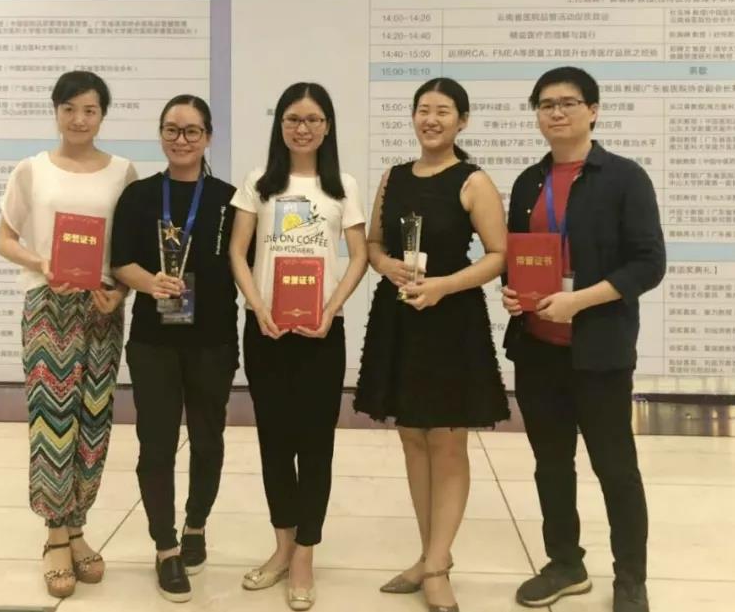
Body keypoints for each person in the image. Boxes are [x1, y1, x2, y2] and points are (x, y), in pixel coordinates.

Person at [501, 66, 665, 612]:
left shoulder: (624, 178)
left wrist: (579, 301)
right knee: (551, 464)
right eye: (545, 104)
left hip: (600, 351)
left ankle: (631, 578)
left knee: (615, 468)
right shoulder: (529, 182)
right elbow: (521, 258)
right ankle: (565, 563)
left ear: (592, 111)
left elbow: (649, 263)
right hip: (537, 348)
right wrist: (513, 294)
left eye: (568, 103)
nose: (556, 113)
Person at [354, 77, 510, 612]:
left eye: (443, 111)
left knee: (446, 441)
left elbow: (498, 255)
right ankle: (428, 555)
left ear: (462, 121)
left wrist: (443, 286)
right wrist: (386, 265)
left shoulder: (473, 180)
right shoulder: (393, 177)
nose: (431, 119)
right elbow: (374, 243)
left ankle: (439, 564)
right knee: (412, 438)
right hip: (399, 316)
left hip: (450, 320)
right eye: (424, 109)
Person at [0, 70, 136, 598]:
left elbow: (129, 251)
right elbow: (5, 239)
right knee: (52, 421)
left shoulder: (123, 173)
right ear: (55, 111)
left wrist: (121, 292)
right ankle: (55, 535)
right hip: (47, 305)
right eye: (69, 108)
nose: (79, 119)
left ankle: (78, 526)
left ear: (103, 115)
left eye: (90, 110)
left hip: (101, 307)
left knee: (94, 420)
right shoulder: (32, 170)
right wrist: (41, 261)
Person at [229, 82, 368, 611]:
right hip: (266, 331)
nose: (302, 128)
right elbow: (238, 252)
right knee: (273, 441)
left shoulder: (342, 187)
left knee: (315, 445)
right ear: (280, 125)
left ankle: (306, 552)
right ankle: (282, 546)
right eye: (292, 119)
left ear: (327, 127)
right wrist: (257, 306)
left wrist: (331, 309)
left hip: (320, 335)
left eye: (312, 119)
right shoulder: (258, 183)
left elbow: (359, 255)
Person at [110, 95, 239, 603]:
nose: (180, 140)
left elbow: (248, 265)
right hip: (154, 342)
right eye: (171, 129)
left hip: (213, 341)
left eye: (191, 131)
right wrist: (150, 281)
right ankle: (165, 546)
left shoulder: (230, 200)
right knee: (157, 444)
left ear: (208, 137)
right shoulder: (140, 195)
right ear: (161, 134)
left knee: (208, 440)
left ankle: (196, 526)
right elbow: (120, 260)